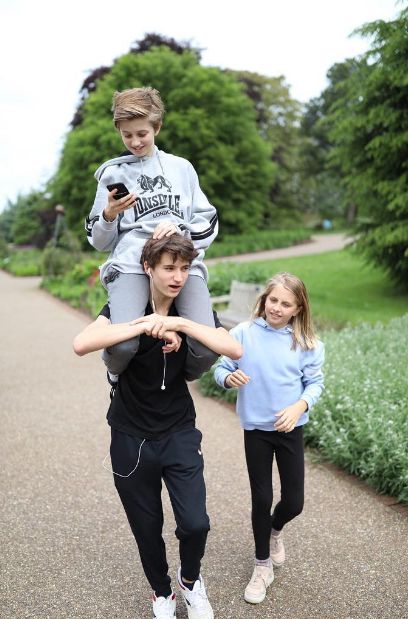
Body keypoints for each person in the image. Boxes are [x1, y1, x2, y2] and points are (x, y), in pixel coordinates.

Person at [73, 235, 242, 619]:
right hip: (131, 436)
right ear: (147, 268)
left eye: (184, 268)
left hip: (179, 430)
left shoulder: (190, 310)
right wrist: (145, 325)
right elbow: (82, 343)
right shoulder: (124, 308)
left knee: (196, 523)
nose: (178, 277)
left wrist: (178, 323)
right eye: (169, 267)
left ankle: (190, 581)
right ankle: (161, 592)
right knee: (147, 528)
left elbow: (233, 348)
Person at [85, 86, 218, 385]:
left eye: (142, 133)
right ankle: (115, 376)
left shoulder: (182, 168)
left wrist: (181, 230)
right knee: (122, 346)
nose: (134, 141)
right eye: (127, 134)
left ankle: (173, 381)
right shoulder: (111, 174)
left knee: (208, 347)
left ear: (157, 127)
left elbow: (208, 219)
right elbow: (99, 241)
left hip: (181, 264)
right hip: (132, 264)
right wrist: (109, 215)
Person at [213, 272, 324, 605]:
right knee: (261, 498)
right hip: (256, 430)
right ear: (265, 300)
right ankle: (262, 566)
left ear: (298, 308)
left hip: (290, 428)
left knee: (294, 502)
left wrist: (299, 406)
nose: (277, 307)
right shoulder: (243, 334)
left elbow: (315, 384)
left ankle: (275, 530)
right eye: (273, 300)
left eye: (285, 303)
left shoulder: (308, 344)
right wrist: (228, 377)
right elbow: (220, 365)